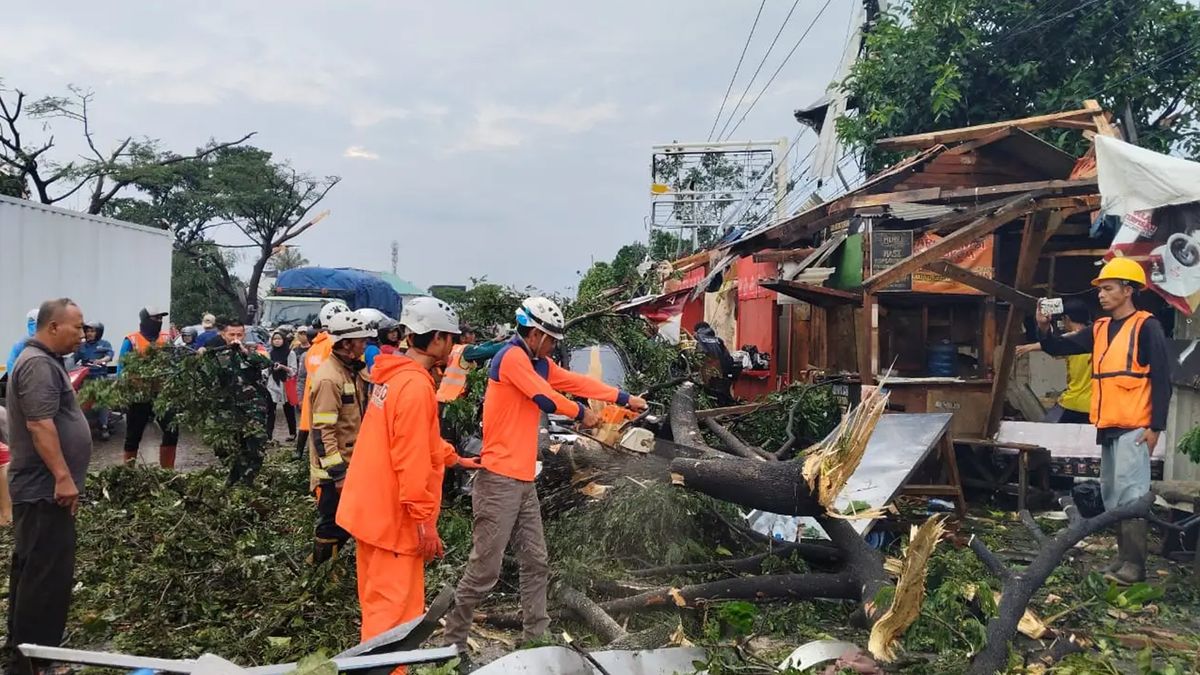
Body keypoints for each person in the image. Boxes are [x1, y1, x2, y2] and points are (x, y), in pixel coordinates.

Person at [442, 297, 647, 650]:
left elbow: (576, 381)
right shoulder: (511, 359)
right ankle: (453, 640)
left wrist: (623, 398)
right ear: (535, 334)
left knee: (536, 561)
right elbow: (546, 398)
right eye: (551, 339)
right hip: (498, 481)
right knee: (485, 571)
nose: (554, 346)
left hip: (523, 479)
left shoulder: (538, 361)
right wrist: (582, 414)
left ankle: (535, 638)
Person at [337, 298, 467, 662]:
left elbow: (411, 439)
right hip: (394, 520)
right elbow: (409, 459)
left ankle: (375, 666)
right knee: (395, 616)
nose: (453, 347)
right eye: (451, 339)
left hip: (371, 512)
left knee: (379, 604)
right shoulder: (415, 387)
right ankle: (381, 670)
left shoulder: (392, 377)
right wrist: (424, 522)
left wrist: (453, 457)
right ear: (438, 338)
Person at [1036, 258, 1172, 585]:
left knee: (1131, 496)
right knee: (1113, 496)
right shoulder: (1099, 329)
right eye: (1100, 289)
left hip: (1135, 427)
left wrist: (1156, 426)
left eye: (1108, 288)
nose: (1101, 294)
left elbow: (1162, 379)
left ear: (1128, 291)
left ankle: (1135, 567)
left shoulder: (1146, 326)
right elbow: (1057, 346)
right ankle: (1122, 560)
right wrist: (1043, 326)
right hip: (1109, 426)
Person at [4, 298, 90, 675]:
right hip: (44, 490)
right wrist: (62, 477)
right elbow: (40, 425)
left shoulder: (42, 360)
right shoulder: (37, 364)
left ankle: (23, 655)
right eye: (77, 327)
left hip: (42, 489)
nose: (83, 334)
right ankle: (34, 664)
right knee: (45, 578)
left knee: (32, 571)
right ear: (53, 326)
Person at [307, 310, 372, 564]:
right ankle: (319, 575)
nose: (365, 345)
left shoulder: (354, 370)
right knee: (332, 526)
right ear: (347, 344)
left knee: (348, 522)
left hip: (353, 462)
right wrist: (338, 474)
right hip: (333, 472)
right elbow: (323, 433)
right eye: (361, 341)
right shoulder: (329, 378)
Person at [1015, 300, 1093, 424]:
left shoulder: (1072, 341)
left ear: (1066, 318)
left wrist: (1028, 346)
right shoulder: (1099, 337)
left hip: (1073, 402)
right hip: (1095, 405)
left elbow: (1056, 344)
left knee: (1046, 430)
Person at [118, 307, 178, 468]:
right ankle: (128, 471)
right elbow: (121, 368)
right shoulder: (131, 340)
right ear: (145, 319)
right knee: (133, 435)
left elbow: (175, 362)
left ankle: (167, 471)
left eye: (160, 319)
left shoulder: (166, 339)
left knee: (172, 430)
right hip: (139, 395)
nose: (158, 322)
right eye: (155, 319)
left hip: (163, 395)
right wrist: (123, 391)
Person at [297, 301, 349, 463]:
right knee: (329, 441)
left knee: (318, 440)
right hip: (334, 402)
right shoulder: (332, 345)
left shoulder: (314, 348)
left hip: (314, 401)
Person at [74, 321, 115, 440]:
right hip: (85, 379)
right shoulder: (81, 346)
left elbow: (109, 355)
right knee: (79, 402)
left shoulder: (104, 344)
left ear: (98, 332)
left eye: (92, 331)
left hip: (100, 379)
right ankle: (81, 427)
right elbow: (73, 359)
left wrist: (102, 360)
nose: (89, 333)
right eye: (87, 331)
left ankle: (104, 426)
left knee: (102, 401)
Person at [694, 321, 740, 406]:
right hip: (721, 377)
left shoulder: (696, 339)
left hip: (706, 377)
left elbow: (696, 358)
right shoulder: (718, 341)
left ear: (696, 331)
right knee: (723, 401)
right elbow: (728, 360)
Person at [265, 329, 297, 443]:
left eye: (279, 339)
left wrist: (283, 367)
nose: (277, 341)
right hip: (273, 382)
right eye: (274, 339)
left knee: (288, 408)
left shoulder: (290, 353)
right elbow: (266, 367)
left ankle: (293, 433)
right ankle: (268, 435)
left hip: (285, 382)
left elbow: (293, 371)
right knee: (270, 409)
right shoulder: (270, 353)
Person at [5, 309, 38, 377]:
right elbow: (10, 363)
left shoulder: (21, 343)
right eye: (30, 322)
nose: (31, 325)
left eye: (32, 322)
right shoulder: (22, 343)